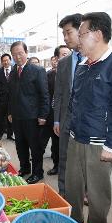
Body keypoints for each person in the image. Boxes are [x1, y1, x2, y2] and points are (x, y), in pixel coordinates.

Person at [65, 12, 112, 223]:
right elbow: (74, 101)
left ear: (96, 34)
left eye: (82, 33)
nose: (78, 39)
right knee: (73, 188)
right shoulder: (83, 66)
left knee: (97, 193)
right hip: (77, 138)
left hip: (100, 143)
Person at [8, 41, 49, 184]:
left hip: (33, 117)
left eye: (20, 53)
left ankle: (38, 173)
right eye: (14, 54)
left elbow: (44, 94)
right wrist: (10, 112)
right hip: (17, 117)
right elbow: (10, 94)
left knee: (35, 147)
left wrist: (43, 115)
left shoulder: (37, 70)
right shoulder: (13, 72)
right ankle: (25, 168)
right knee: (20, 146)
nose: (17, 57)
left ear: (26, 53)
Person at [53, 13, 83, 196]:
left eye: (68, 32)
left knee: (82, 161)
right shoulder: (64, 63)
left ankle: (82, 192)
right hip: (65, 120)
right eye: (63, 34)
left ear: (82, 30)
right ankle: (63, 193)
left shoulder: (93, 59)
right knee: (63, 158)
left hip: (86, 122)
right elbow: (59, 94)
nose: (65, 38)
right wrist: (56, 121)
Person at [44, 46, 70, 176]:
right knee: (55, 143)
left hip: (69, 114)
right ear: (57, 58)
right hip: (54, 113)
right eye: (64, 54)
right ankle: (57, 165)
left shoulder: (75, 72)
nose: (67, 56)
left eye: (68, 54)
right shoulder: (49, 75)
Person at [0, 53, 14, 140]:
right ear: (1, 62)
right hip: (2, 99)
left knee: (11, 116)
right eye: (3, 61)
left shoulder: (15, 70)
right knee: (0, 117)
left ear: (10, 60)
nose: (5, 62)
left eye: (7, 60)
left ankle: (10, 134)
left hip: (13, 99)